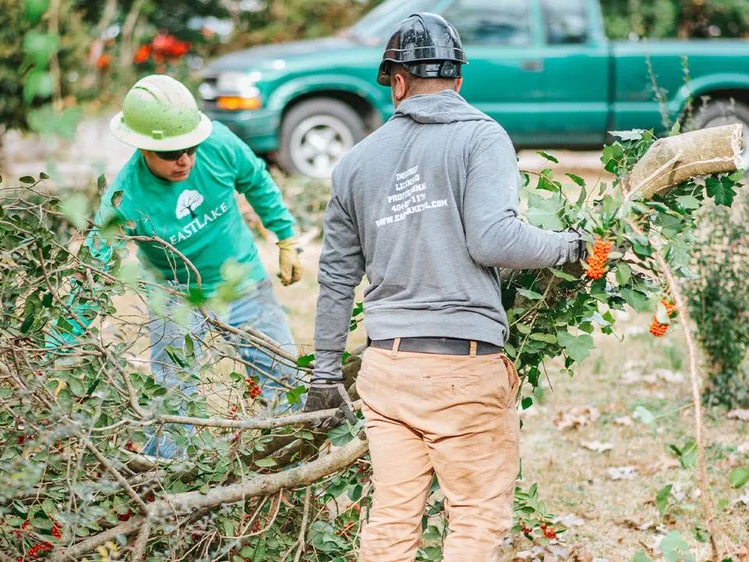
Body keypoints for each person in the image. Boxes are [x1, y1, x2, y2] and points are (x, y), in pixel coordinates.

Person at [304, 13, 585, 562]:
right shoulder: (482, 136)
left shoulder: (355, 163)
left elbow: (336, 278)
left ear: (398, 83)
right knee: (476, 519)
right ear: (458, 77)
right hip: (463, 367)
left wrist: (323, 374)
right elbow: (495, 239)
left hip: (387, 371)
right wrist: (569, 248)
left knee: (391, 521)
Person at [66, 74, 304, 458]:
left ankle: (291, 464)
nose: (185, 160)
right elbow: (93, 274)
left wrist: (286, 236)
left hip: (240, 279)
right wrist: (58, 347)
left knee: (286, 379)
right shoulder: (124, 199)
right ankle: (171, 486)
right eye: (171, 153)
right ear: (143, 147)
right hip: (174, 297)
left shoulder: (220, 143)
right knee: (174, 399)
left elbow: (256, 180)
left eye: (191, 148)